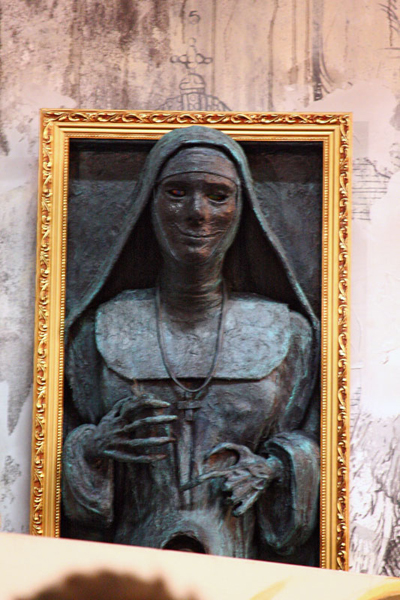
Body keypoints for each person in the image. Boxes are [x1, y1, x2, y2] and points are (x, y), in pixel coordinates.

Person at [62, 126, 320, 563]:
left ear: (241, 208)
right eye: (177, 192)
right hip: (128, 564)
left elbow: (310, 445)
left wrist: (274, 468)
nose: (197, 213)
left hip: (239, 565)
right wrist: (91, 447)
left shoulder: (289, 333)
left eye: (218, 195)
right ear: (150, 203)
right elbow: (68, 462)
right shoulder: (98, 330)